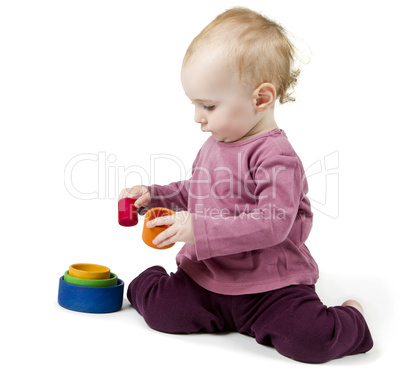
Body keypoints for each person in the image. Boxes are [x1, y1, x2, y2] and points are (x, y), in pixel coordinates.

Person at [120, 7, 373, 363]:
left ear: (261, 99)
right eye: (194, 104)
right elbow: (198, 190)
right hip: (207, 276)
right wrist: (155, 196)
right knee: (163, 312)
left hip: (270, 286)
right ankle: (148, 282)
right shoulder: (217, 142)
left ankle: (351, 318)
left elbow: (272, 223)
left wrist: (198, 229)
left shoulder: (276, 156)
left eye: (207, 105)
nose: (197, 117)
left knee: (310, 340)